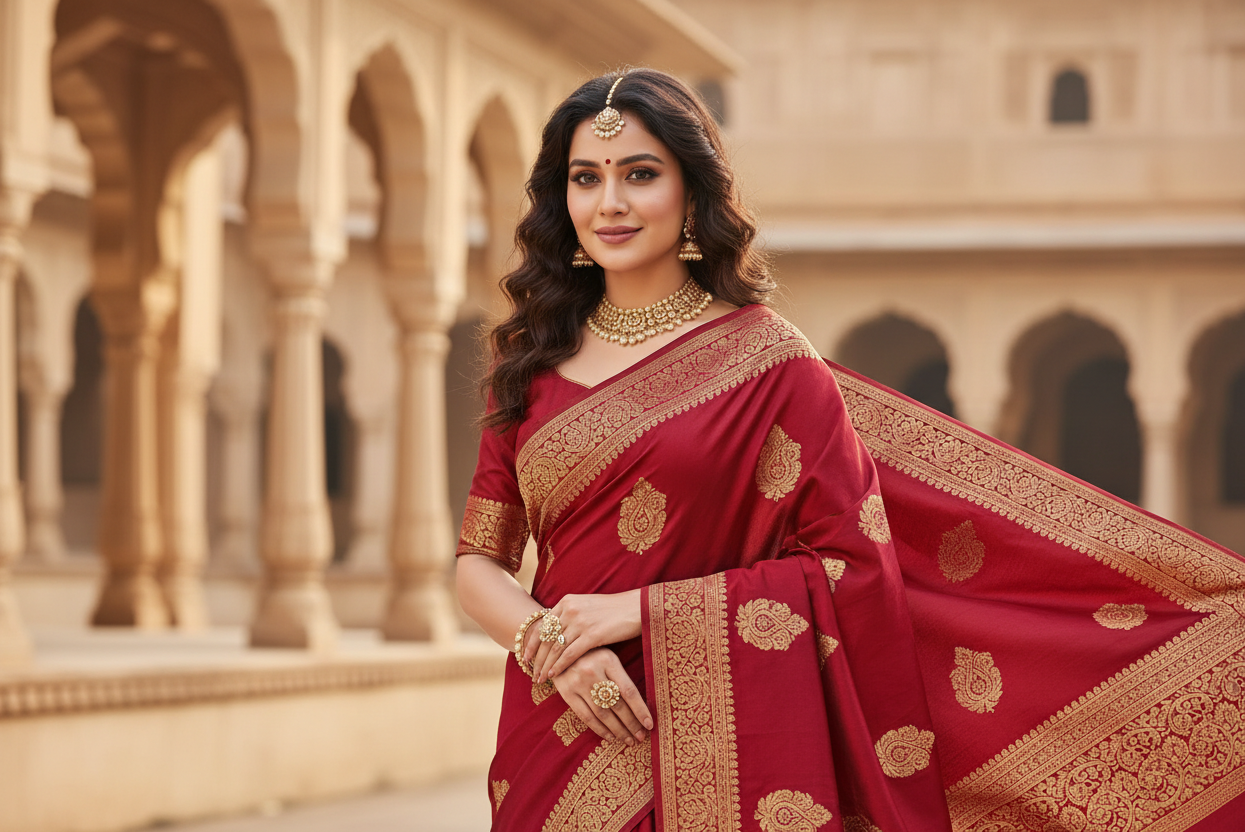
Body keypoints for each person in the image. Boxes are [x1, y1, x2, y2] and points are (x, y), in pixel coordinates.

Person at [455, 68, 1245, 832]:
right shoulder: (529, 362)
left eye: (639, 173)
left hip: (718, 741)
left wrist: (643, 615)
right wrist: (553, 645)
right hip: (558, 726)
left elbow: (847, 567)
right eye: (585, 178)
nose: (612, 203)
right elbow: (477, 563)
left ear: (691, 192)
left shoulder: (771, 366)